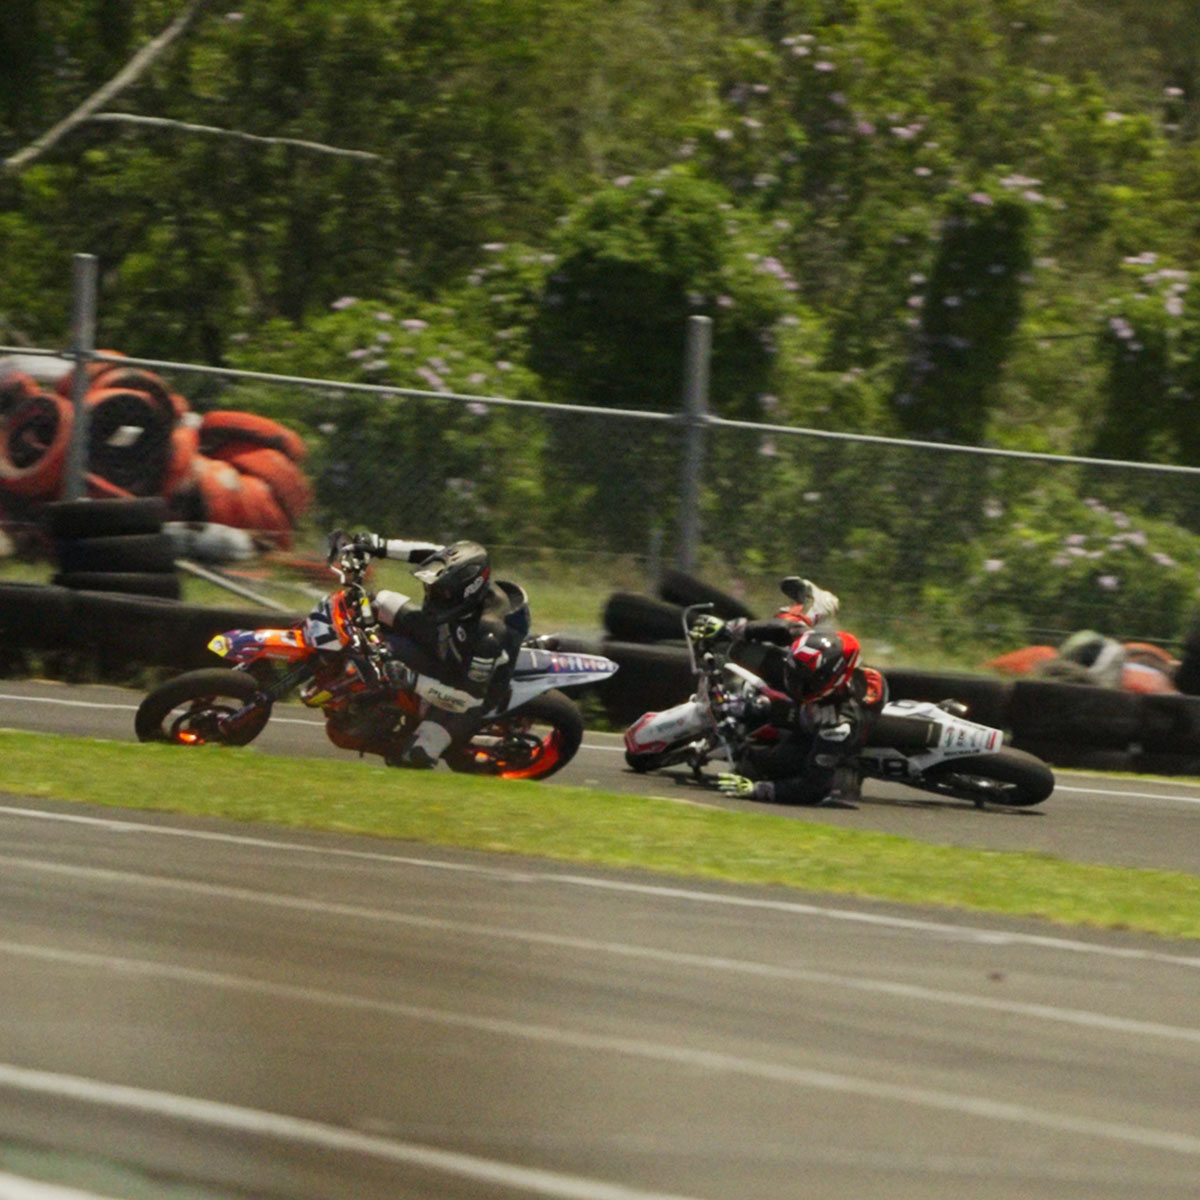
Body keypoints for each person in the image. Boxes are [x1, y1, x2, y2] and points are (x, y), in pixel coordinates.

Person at [688, 583, 885, 806]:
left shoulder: (837, 726)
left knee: (754, 767)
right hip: (824, 692)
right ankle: (817, 604)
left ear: (830, 682)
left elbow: (813, 788)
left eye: (804, 682)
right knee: (777, 633)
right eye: (794, 675)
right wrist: (727, 629)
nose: (793, 683)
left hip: (820, 732)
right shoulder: (816, 659)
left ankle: (848, 769)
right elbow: (785, 630)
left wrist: (757, 789)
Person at [353, 533, 531, 768]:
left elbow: (467, 699)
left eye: (441, 593)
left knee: (409, 757)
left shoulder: (489, 633)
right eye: (431, 589)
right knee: (372, 602)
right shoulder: (458, 582)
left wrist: (412, 680)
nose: (431, 596)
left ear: (469, 590)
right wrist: (378, 546)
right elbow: (429, 554)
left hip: (463, 694)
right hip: (447, 635)